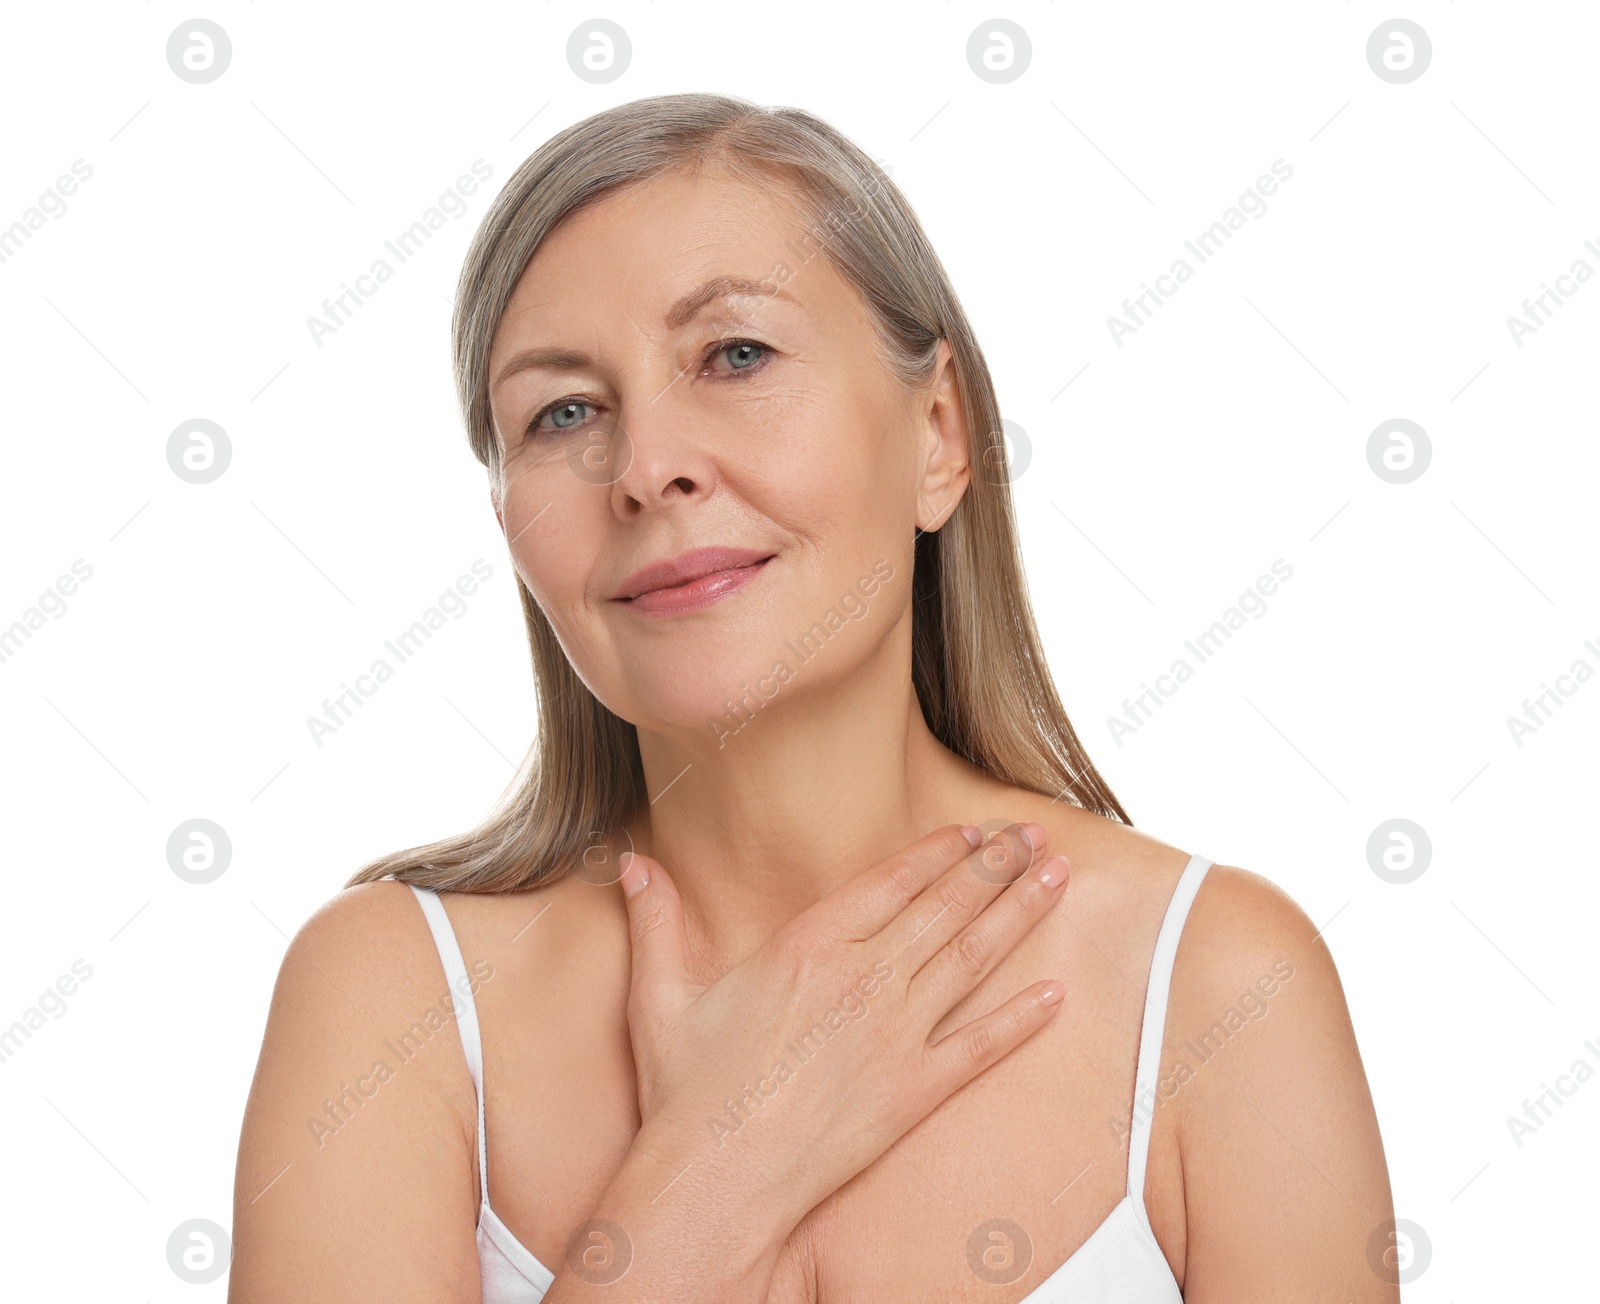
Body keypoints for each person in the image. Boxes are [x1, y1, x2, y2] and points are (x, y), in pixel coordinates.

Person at [230, 93, 1395, 1302]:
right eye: (563, 411)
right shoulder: (390, 999)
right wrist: (723, 1159)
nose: (644, 468)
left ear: (938, 434)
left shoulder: (1220, 983)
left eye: (735, 354)